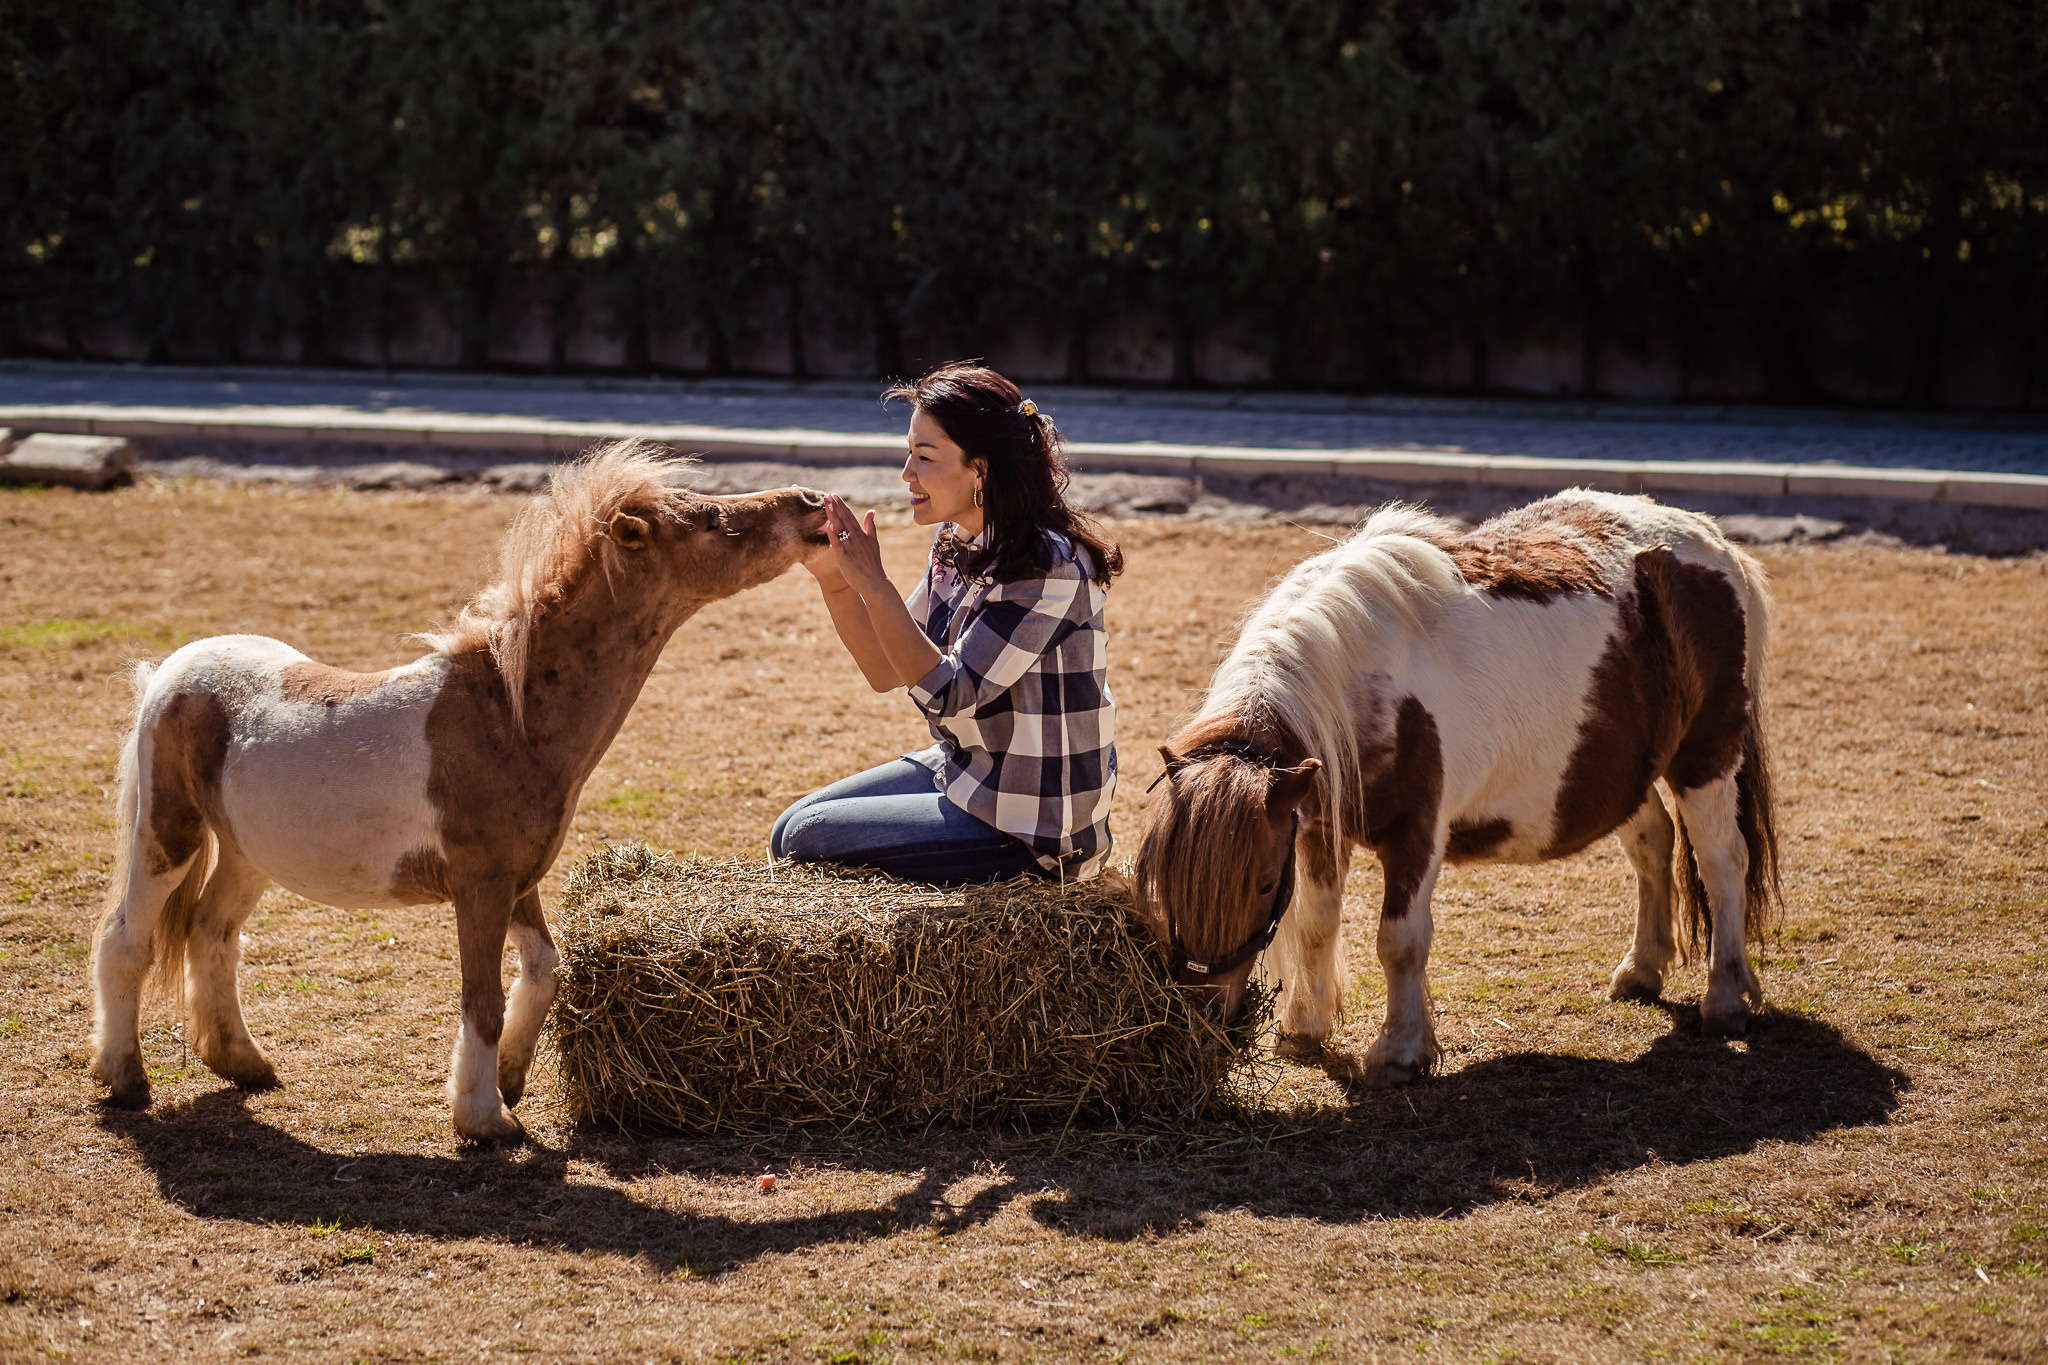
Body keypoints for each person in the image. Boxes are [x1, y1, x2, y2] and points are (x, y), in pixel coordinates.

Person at [769, 361, 1123, 883]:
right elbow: (885, 669)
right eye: (908, 453)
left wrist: (875, 583)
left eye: (924, 457)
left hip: (1033, 828)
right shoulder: (959, 542)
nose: (906, 474)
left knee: (807, 837)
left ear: (980, 469)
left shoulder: (1048, 567)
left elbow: (948, 694)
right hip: (971, 771)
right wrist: (836, 580)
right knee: (787, 829)